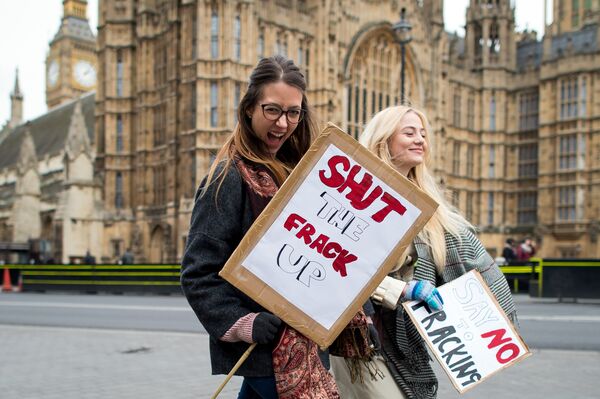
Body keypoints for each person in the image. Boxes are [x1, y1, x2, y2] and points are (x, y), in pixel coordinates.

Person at [331, 105, 518, 399]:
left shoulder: (426, 203)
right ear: (384, 140)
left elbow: (470, 254)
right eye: (409, 133)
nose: (420, 139)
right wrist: (401, 290)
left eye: (423, 134)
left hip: (404, 338)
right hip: (360, 334)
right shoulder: (352, 195)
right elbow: (337, 266)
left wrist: (497, 326)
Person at [181, 55, 328, 399]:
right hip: (267, 351)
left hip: (306, 346)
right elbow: (197, 273)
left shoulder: (303, 173)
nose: (283, 123)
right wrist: (245, 323)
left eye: (294, 112)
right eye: (272, 110)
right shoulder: (228, 178)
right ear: (249, 108)